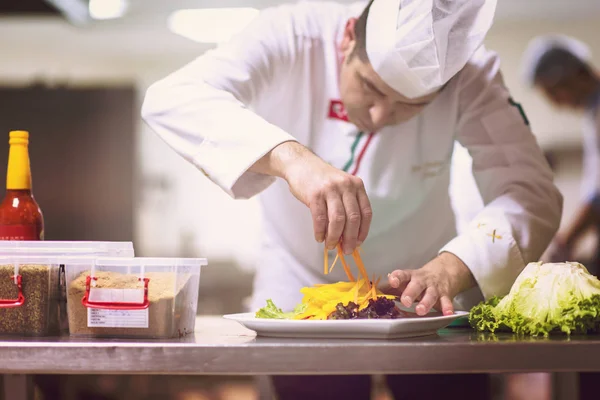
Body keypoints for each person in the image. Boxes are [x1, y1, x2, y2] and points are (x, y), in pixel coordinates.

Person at [142, 1, 562, 398]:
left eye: (408, 106)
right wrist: (293, 159)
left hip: (425, 290)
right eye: (370, 87)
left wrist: (450, 270)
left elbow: (530, 191)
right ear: (347, 39)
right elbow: (171, 97)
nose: (380, 116)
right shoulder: (292, 34)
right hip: (301, 278)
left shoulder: (472, 77)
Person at [521, 35, 600, 272]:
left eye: (555, 93)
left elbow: (598, 195)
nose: (556, 104)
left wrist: (564, 242)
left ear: (575, 75)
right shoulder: (592, 113)